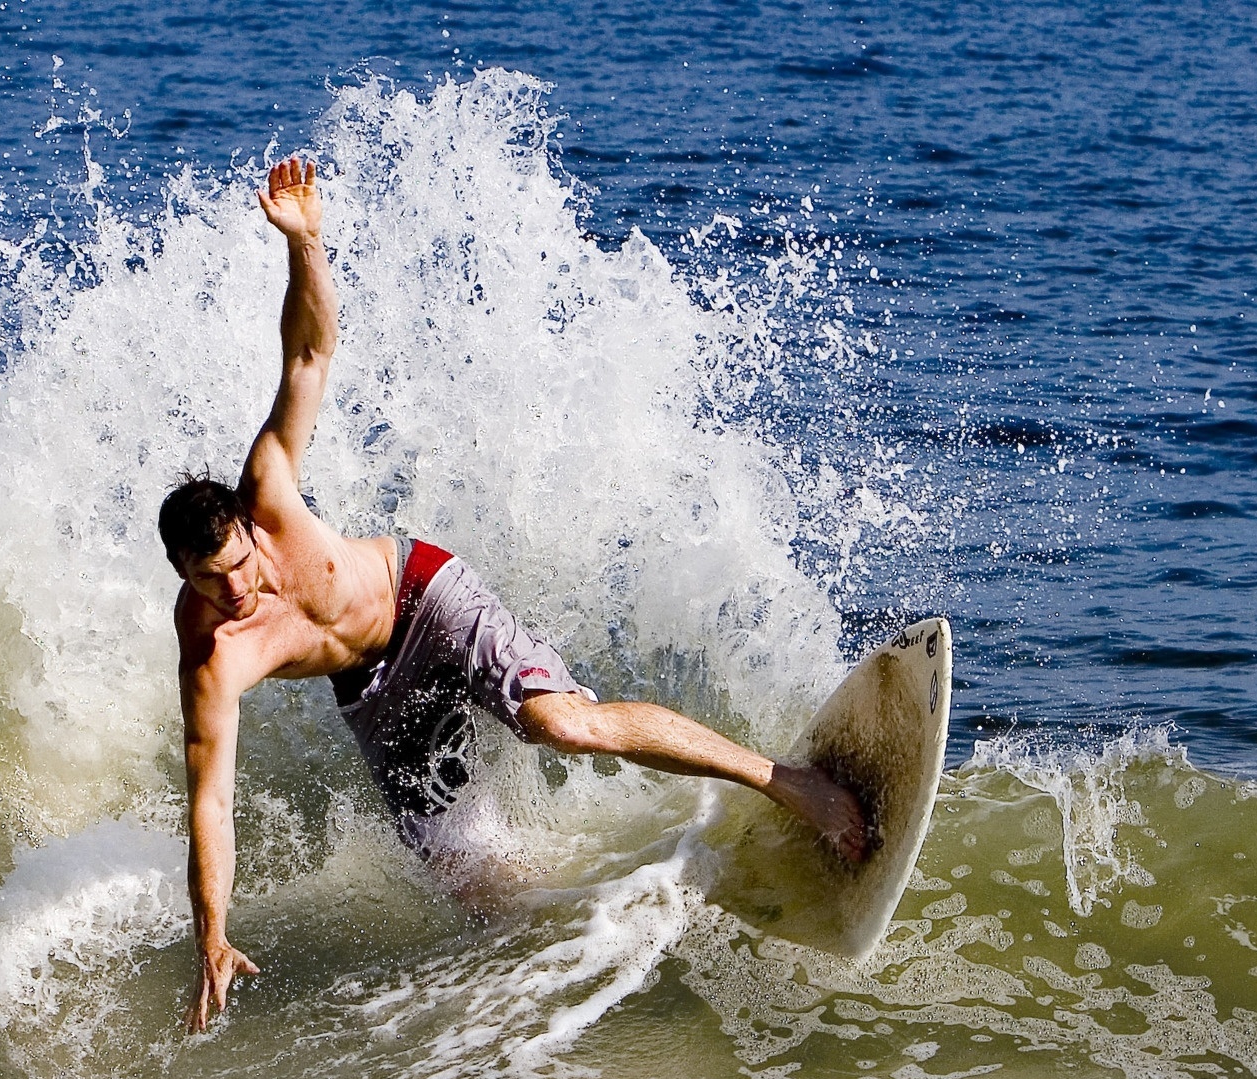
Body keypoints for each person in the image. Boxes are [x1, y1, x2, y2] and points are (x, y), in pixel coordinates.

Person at [160, 157, 867, 1033]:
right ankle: (625, 949)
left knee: (559, 723)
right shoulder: (212, 656)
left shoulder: (268, 488)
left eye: (238, 565)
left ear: (247, 532)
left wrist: (307, 245)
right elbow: (211, 802)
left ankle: (786, 782)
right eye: (209, 582)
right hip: (374, 694)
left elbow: (308, 352)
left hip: (427, 598)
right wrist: (213, 936)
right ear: (183, 580)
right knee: (479, 892)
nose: (235, 590)